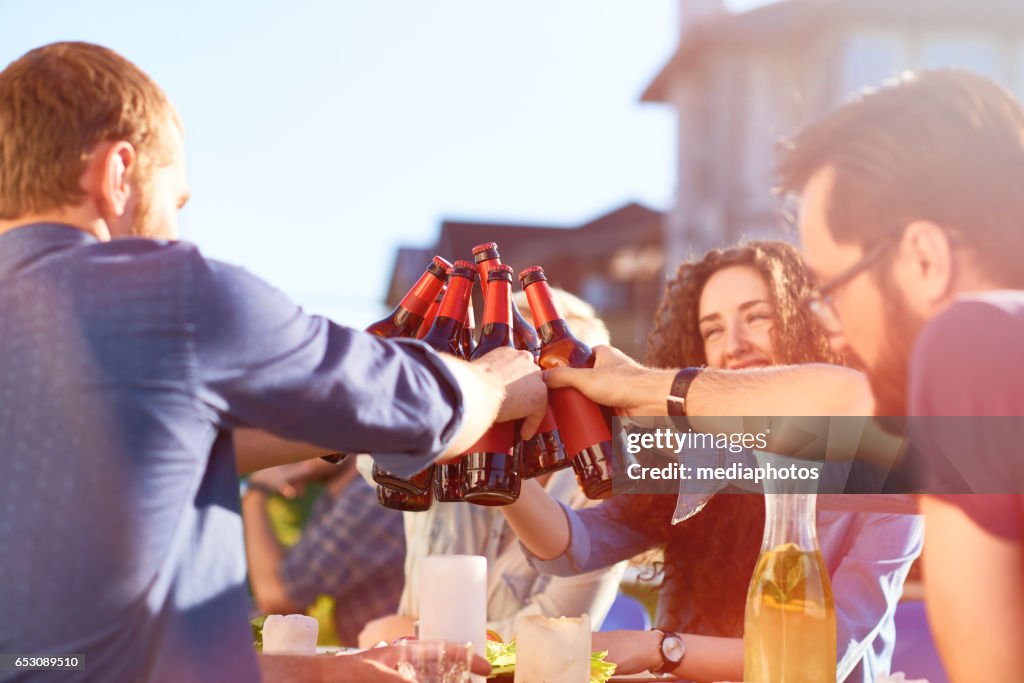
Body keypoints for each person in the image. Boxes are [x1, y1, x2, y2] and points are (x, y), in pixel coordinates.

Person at [0, 42, 546, 682]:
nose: (178, 235)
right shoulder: (165, 292)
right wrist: (493, 383)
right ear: (119, 173)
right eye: (174, 204)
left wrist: (321, 673)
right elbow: (412, 402)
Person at [542, 70, 1024, 681]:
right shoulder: (969, 428)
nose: (837, 326)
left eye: (836, 290)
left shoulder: (974, 340)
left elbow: (843, 409)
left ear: (925, 259)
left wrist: (640, 388)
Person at [502, 241, 922, 683]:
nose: (735, 345)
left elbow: (820, 657)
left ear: (810, 324)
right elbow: (573, 548)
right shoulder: (693, 458)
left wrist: (659, 649)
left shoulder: (882, 469)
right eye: (713, 330)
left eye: (757, 317)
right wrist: (496, 469)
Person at [358, 286, 624, 646]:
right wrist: (466, 401)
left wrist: (406, 633)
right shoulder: (448, 443)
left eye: (554, 376)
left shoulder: (602, 492)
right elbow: (369, 445)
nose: (529, 393)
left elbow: (557, 633)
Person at [243, 458, 405, 647]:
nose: (298, 450)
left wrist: (255, 493)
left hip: (398, 663)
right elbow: (288, 576)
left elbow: (280, 597)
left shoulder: (369, 494)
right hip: (380, 656)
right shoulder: (337, 497)